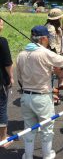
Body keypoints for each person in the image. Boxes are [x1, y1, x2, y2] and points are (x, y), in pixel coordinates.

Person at [16, 25, 63, 159]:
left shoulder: (21, 54)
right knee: (47, 129)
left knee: (29, 129)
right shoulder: (44, 52)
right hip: (42, 98)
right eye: (48, 38)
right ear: (43, 38)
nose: (49, 41)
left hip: (26, 97)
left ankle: (28, 156)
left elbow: (19, 79)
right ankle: (47, 155)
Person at [45, 8, 63, 103]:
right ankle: (50, 97)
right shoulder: (51, 28)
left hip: (55, 53)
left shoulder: (55, 26)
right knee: (50, 75)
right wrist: (56, 58)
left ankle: (52, 95)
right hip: (51, 55)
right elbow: (52, 44)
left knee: (52, 75)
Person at [0, 19, 14, 147]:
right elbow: (8, 63)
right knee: (2, 108)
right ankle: (3, 138)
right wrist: (11, 77)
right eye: (0, 22)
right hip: (1, 82)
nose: (2, 23)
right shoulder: (2, 41)